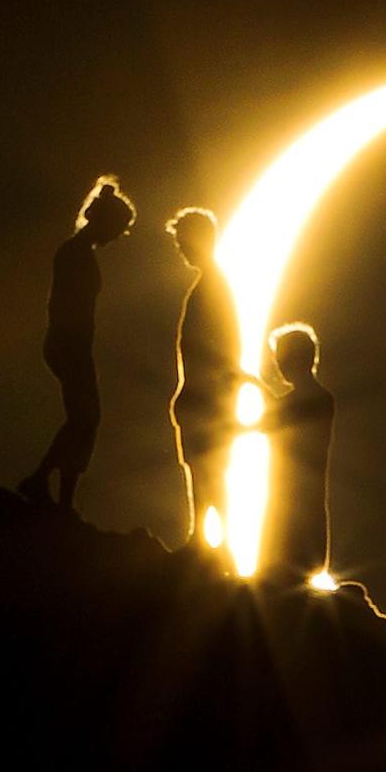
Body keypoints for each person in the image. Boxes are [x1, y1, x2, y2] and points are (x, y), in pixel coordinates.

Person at [18, 176, 136, 511]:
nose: (117, 238)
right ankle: (47, 485)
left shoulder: (76, 252)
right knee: (85, 419)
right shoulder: (75, 254)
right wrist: (75, 345)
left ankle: (55, 491)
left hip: (70, 345)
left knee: (83, 420)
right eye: (118, 229)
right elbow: (65, 307)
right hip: (70, 345)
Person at [164, 207, 242, 551]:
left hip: (208, 399)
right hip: (202, 395)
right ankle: (203, 538)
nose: (181, 249)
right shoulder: (211, 286)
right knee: (201, 468)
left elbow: (222, 348)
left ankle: (214, 543)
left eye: (183, 241)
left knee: (210, 469)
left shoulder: (213, 288)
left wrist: (216, 391)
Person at [261, 323, 335, 583]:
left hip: (294, 519)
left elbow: (272, 420)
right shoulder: (319, 398)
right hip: (298, 514)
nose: (278, 365)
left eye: (281, 358)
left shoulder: (315, 400)